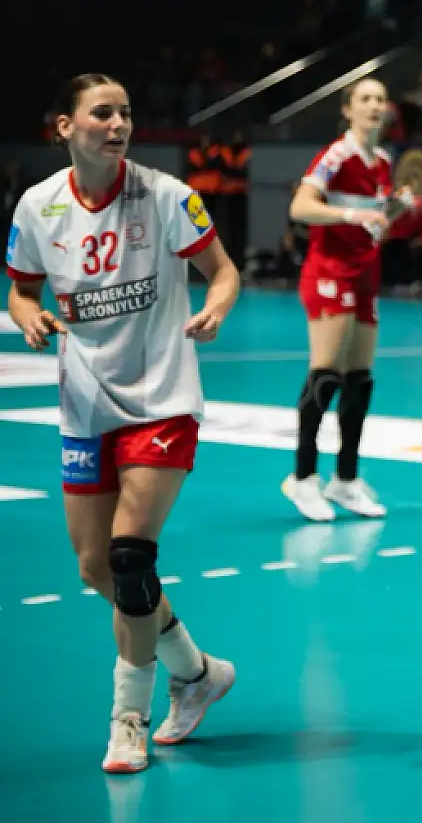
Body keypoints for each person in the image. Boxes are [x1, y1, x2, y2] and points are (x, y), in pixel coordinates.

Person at [6, 74, 240, 773]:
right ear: (64, 127)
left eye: (126, 113)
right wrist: (28, 317)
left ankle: (128, 720)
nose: (118, 124)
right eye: (102, 113)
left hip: (162, 398)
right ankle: (199, 672)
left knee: (131, 557)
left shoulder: (167, 197)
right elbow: (19, 290)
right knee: (94, 569)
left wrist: (218, 306)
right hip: (84, 404)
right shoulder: (37, 206)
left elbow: (223, 271)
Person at [282, 77, 412, 522]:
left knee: (360, 378)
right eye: (366, 99)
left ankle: (346, 479)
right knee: (326, 373)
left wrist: (394, 208)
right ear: (348, 109)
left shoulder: (382, 161)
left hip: (365, 275)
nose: (375, 105)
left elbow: (375, 222)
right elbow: (301, 208)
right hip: (329, 273)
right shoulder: (336, 155)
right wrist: (351, 214)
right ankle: (301, 478)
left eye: (380, 98)